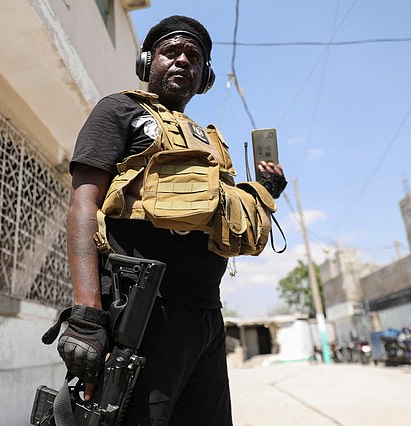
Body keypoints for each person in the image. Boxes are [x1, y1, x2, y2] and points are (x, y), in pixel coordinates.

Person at [58, 15, 287, 425]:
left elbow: (223, 218)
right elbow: (82, 206)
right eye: (171, 52)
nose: (183, 61)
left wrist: (266, 191)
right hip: (144, 313)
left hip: (206, 315)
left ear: (205, 76)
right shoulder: (121, 110)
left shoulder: (209, 142)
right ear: (149, 62)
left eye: (194, 57)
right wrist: (87, 314)